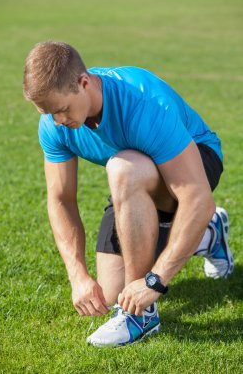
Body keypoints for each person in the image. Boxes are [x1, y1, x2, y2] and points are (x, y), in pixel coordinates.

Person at [23, 41, 234, 347]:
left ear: (84, 83)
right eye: (48, 113)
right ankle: (208, 235)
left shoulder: (142, 102)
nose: (57, 121)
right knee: (110, 295)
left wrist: (154, 282)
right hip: (135, 178)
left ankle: (141, 317)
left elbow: (198, 199)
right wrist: (78, 275)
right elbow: (60, 199)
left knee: (122, 168)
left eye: (62, 110)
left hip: (194, 162)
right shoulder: (54, 124)